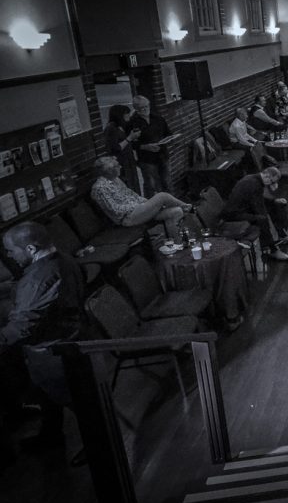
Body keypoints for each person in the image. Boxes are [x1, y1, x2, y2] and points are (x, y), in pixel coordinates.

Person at [1, 222, 85, 453]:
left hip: (52, 351)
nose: (8, 255)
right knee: (48, 398)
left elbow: (22, 327)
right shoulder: (64, 260)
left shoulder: (39, 279)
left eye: (10, 250)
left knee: (76, 403)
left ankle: (98, 447)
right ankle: (51, 435)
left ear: (30, 249)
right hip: (70, 337)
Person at [90, 157, 190, 236]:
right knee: (162, 196)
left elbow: (132, 195)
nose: (120, 167)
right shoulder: (100, 188)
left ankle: (177, 243)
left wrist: (147, 204)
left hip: (139, 211)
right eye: (117, 166)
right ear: (109, 170)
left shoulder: (115, 179)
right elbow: (115, 210)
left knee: (176, 211)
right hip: (128, 218)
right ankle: (188, 207)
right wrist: (139, 206)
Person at [222, 167, 288, 262]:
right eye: (272, 182)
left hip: (244, 208)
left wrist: (274, 201)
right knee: (261, 219)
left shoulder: (256, 179)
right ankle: (272, 249)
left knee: (276, 205)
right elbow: (257, 207)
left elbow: (258, 200)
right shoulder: (254, 184)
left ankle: (282, 236)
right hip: (234, 215)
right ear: (267, 176)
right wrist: (264, 216)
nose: (272, 185)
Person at [129, 95, 171, 196]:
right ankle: (154, 207)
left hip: (162, 155)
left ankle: (172, 204)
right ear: (135, 108)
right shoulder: (132, 123)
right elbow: (130, 143)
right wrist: (145, 146)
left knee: (167, 182)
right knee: (151, 185)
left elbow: (168, 133)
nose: (145, 109)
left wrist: (168, 140)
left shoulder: (158, 118)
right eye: (141, 108)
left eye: (146, 106)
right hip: (146, 159)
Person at [104, 104, 142, 193]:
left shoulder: (122, 126)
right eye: (126, 113)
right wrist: (130, 138)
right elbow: (115, 148)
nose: (128, 115)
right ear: (119, 115)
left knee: (134, 183)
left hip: (129, 161)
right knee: (127, 185)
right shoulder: (111, 128)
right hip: (121, 162)